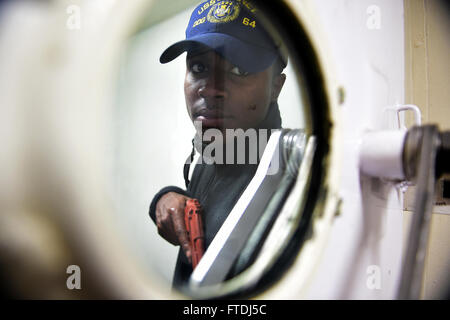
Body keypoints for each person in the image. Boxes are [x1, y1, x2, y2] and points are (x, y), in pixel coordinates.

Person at [148, 0, 288, 289]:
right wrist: (167, 197)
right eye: (199, 67)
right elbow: (211, 195)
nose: (210, 89)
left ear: (275, 86)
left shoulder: (288, 182)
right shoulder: (219, 146)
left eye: (238, 70)